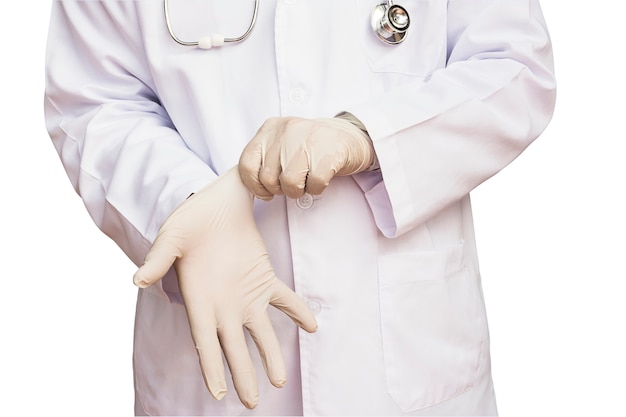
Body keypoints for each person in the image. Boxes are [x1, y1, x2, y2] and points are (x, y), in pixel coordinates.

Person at [44, 0, 556, 415]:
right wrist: (180, 202)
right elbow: (94, 101)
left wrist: (369, 136)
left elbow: (515, 67)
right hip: (207, 362)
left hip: (411, 362)